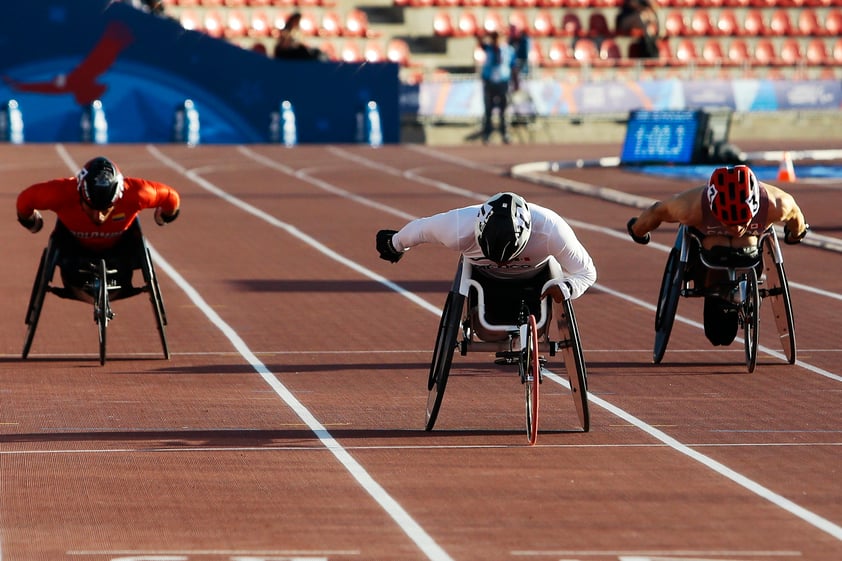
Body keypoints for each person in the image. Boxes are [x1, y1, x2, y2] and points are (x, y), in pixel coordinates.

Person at [376, 192, 597, 341]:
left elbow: (586, 273)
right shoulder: (458, 226)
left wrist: (567, 288)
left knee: (556, 279)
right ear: (478, 231)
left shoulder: (551, 229)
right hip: (484, 280)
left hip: (535, 282)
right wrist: (394, 244)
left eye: (509, 255)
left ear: (529, 233)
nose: (502, 263)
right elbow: (420, 230)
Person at [626, 164, 808, 345]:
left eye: (743, 222)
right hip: (710, 258)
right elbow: (657, 211)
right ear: (713, 208)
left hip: (749, 253)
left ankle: (740, 294)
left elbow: (797, 219)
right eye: (729, 222)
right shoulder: (691, 208)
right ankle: (719, 295)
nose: (736, 229)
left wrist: (637, 232)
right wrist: (638, 229)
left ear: (755, 206)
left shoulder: (778, 204)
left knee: (747, 242)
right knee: (718, 336)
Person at [16, 156, 181, 302]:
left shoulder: (137, 193)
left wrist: (164, 216)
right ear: (80, 194)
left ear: (119, 197)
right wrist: (33, 223)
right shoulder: (60, 192)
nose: (99, 216)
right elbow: (24, 201)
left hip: (120, 260)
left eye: (106, 209)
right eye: (91, 208)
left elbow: (171, 198)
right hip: (74, 260)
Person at [477, 31, 516, 144]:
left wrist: (515, 82)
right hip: (490, 82)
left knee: (503, 110)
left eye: (498, 38)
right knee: (488, 110)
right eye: (494, 38)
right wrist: (487, 35)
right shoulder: (488, 48)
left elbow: (513, 67)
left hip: (503, 82)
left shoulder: (508, 50)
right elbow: (479, 39)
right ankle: (487, 134)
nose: (496, 41)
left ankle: (504, 133)